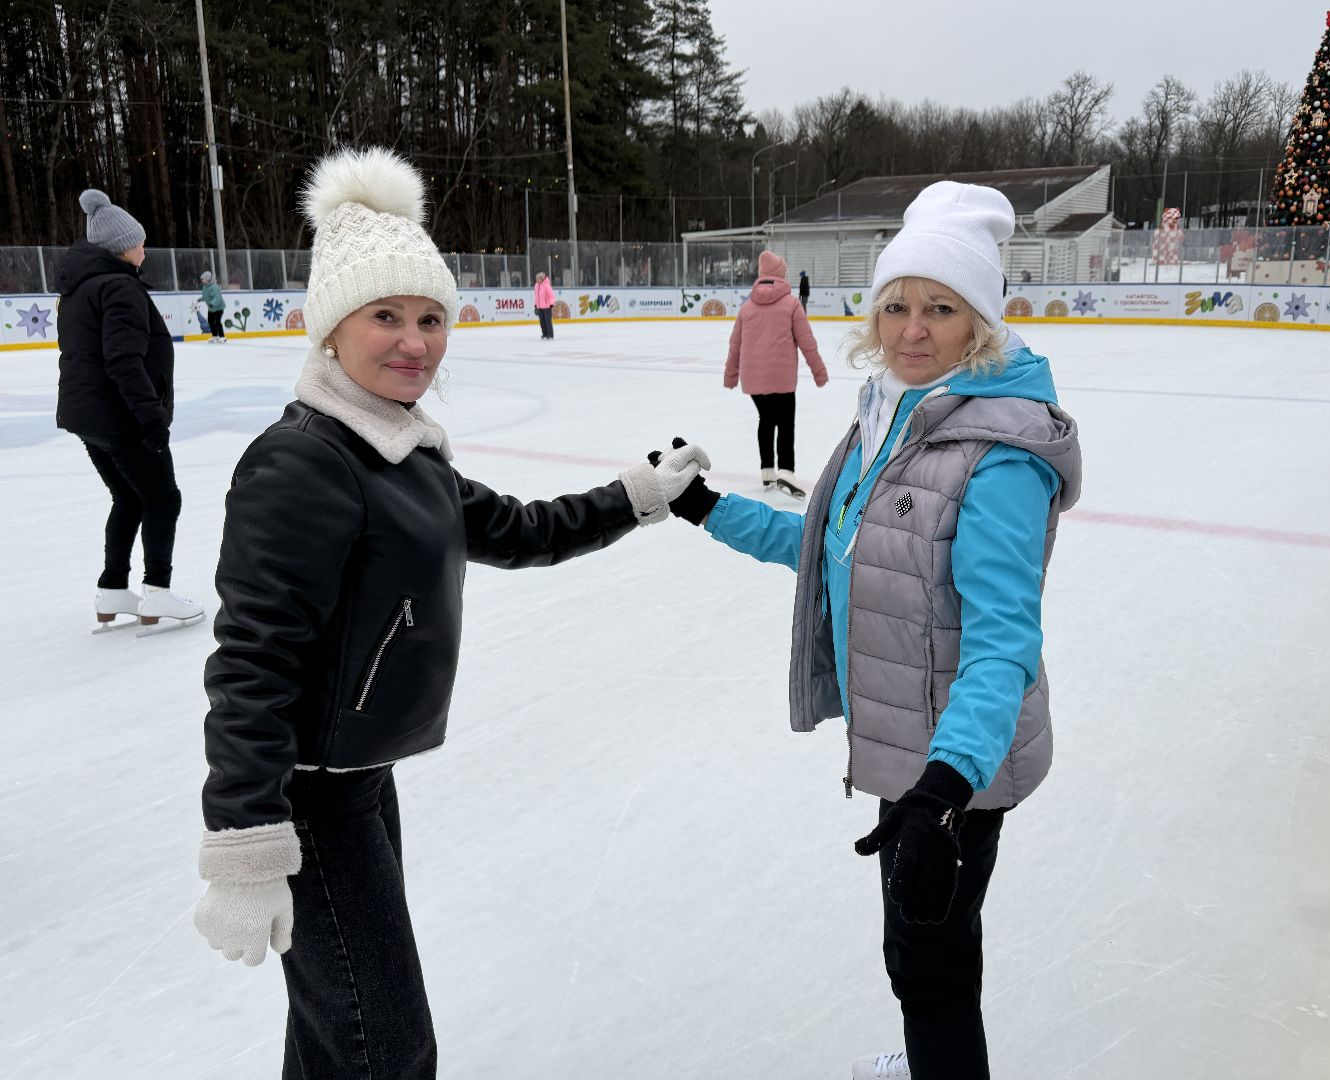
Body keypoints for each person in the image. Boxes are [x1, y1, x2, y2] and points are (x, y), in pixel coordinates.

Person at [192, 146, 708, 1080]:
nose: (414, 341)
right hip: (307, 795)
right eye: (385, 316)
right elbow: (252, 661)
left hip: (357, 778)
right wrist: (242, 837)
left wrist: (635, 495)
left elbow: (516, 528)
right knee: (382, 1048)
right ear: (330, 329)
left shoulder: (401, 448)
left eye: (431, 318)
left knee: (334, 1036)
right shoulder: (304, 462)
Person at [663, 182, 1081, 1080]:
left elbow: (1002, 644)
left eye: (941, 307)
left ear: (982, 321)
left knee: (927, 963)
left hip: (955, 763)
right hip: (908, 744)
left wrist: (940, 792)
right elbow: (827, 548)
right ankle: (936, 1057)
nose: (912, 329)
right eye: (896, 304)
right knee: (926, 955)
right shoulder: (888, 421)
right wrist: (704, 508)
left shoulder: (998, 456)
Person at [55, 188, 205, 634]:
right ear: (122, 247)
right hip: (121, 417)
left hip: (90, 417)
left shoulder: (79, 290)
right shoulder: (120, 288)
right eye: (139, 241)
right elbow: (123, 360)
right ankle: (157, 593)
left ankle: (113, 589)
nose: (145, 248)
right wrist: (151, 417)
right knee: (162, 498)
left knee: (128, 498)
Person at [723, 250, 828, 498]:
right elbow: (807, 342)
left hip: (753, 380)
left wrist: (730, 376)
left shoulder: (747, 308)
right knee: (785, 422)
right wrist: (819, 373)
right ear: (781, 274)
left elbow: (734, 345)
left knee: (766, 420)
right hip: (782, 379)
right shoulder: (791, 304)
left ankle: (767, 470)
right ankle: (786, 472)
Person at [199, 270, 227, 343]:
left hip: (219, 308)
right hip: (211, 308)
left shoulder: (214, 287)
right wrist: (201, 299)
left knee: (217, 322)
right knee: (211, 322)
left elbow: (217, 297)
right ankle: (215, 336)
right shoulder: (205, 287)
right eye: (202, 279)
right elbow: (206, 296)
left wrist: (212, 303)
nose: (202, 281)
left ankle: (222, 337)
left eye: (204, 279)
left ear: (208, 280)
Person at [533, 270, 555, 339]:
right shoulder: (536, 286)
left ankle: (550, 334)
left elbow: (551, 296)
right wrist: (536, 305)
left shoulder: (546, 286)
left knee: (547, 321)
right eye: (537, 278)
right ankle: (544, 334)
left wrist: (551, 304)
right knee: (542, 321)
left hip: (547, 306)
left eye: (539, 278)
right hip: (539, 306)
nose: (538, 280)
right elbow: (536, 296)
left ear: (542, 278)